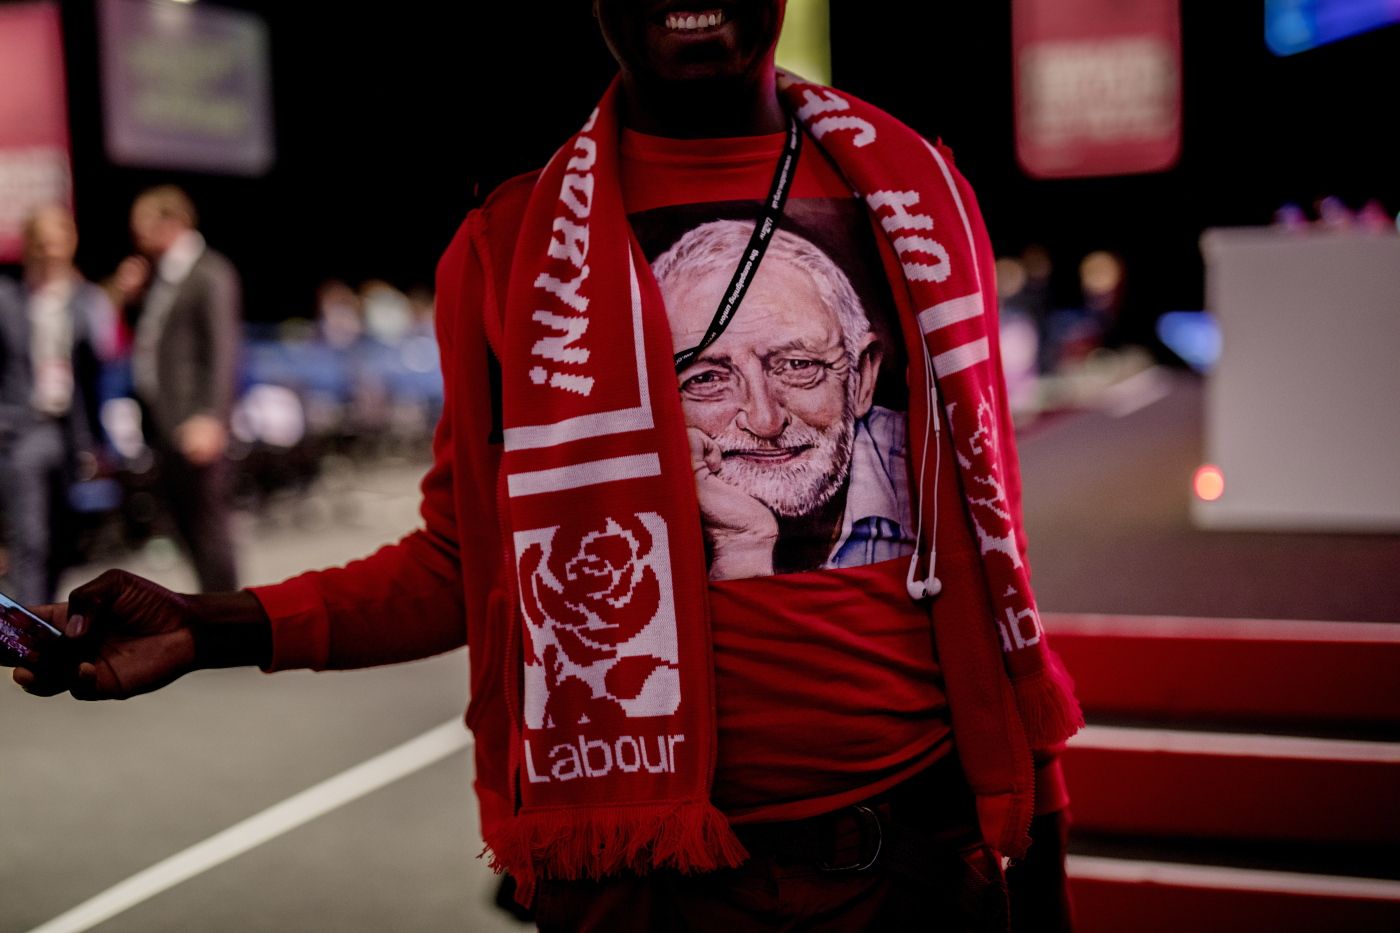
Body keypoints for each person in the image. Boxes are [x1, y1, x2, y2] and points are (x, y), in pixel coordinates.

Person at [7, 4, 1081, 931]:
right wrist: (212, 626)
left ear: (861, 371)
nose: (758, 415)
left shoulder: (918, 200)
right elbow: (462, 562)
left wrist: (1041, 836)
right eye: (707, 378)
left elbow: (996, 555)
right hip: (644, 892)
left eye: (800, 366)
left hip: (915, 871)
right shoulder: (508, 246)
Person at [111, 185, 242, 592]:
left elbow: (222, 351)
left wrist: (211, 417)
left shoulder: (208, 271)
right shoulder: (162, 277)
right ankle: (209, 611)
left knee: (209, 528)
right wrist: (131, 299)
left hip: (194, 420)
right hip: (164, 420)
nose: (137, 235)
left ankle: (229, 616)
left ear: (174, 222)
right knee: (185, 524)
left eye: (144, 224)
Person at [0, 205, 115, 604]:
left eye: (58, 241)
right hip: (23, 429)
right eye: (42, 242)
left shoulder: (86, 301)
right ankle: (29, 625)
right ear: (29, 246)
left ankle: (43, 611)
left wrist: (98, 441)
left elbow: (99, 372)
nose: (50, 250)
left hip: (71, 432)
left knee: (66, 538)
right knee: (30, 537)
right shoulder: (9, 299)